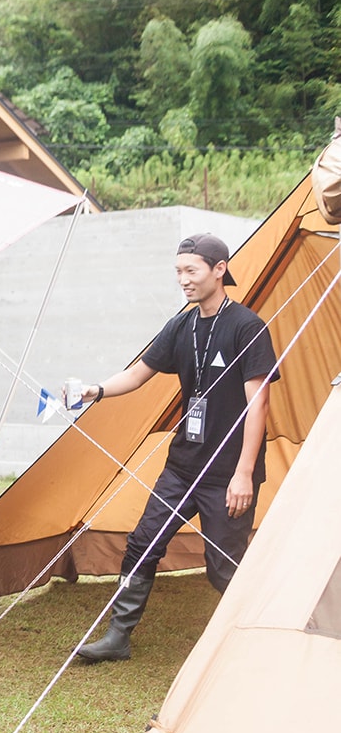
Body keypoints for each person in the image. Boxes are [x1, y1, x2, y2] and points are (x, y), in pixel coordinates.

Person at [76, 233, 279, 662]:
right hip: (182, 467)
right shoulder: (181, 325)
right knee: (142, 544)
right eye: (178, 271)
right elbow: (138, 374)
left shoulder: (247, 327)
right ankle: (117, 636)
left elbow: (258, 404)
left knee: (223, 567)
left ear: (219, 269)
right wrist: (97, 390)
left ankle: (251, 644)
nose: (183, 279)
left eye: (191, 270)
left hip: (227, 474)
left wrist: (244, 473)